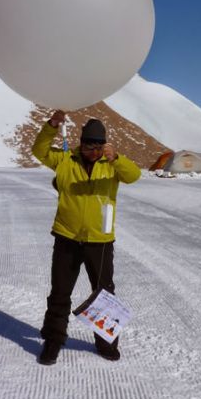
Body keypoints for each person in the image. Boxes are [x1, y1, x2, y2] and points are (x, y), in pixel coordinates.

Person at [32, 110, 141, 365]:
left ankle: (106, 343)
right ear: (81, 143)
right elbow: (39, 150)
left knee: (104, 294)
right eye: (89, 144)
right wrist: (52, 126)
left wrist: (118, 159)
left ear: (105, 145)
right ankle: (53, 341)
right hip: (67, 237)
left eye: (99, 145)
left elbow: (134, 176)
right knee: (60, 292)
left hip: (100, 241)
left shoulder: (111, 165)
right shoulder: (65, 160)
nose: (94, 150)